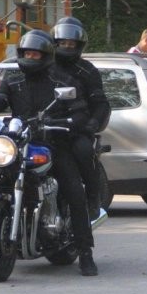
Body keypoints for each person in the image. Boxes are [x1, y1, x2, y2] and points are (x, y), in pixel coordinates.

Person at [0, 30, 100, 276]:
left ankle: (85, 252)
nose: (30, 57)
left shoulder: (62, 82)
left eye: (35, 53)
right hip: (19, 143)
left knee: (73, 189)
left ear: (47, 56)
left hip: (54, 144)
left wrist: (67, 121)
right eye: (27, 53)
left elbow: (81, 110)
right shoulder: (14, 80)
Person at [51, 16, 111, 219]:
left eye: (71, 43)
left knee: (84, 151)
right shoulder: (45, 67)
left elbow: (100, 102)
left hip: (75, 126)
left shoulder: (87, 70)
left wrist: (92, 123)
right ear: (54, 43)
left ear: (79, 45)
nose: (67, 47)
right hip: (46, 126)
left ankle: (93, 198)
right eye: (63, 43)